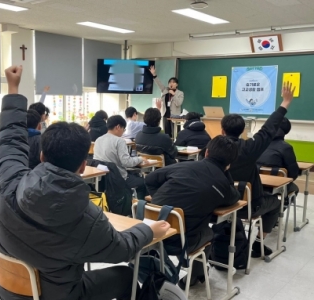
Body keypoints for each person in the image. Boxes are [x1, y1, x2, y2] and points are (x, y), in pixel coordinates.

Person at [0, 65, 171, 300]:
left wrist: (13, 89)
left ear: (42, 156)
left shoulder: (7, 183)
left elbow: (9, 140)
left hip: (10, 290)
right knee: (126, 275)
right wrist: (146, 230)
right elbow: (122, 249)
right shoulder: (87, 219)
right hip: (58, 295)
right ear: (82, 166)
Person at [146, 136, 240, 289]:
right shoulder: (222, 184)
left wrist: (160, 202)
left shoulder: (184, 166)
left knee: (184, 225)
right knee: (209, 232)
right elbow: (234, 198)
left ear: (207, 152)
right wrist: (226, 173)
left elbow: (150, 178)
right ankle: (197, 274)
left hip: (149, 234)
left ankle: (194, 271)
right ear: (229, 164)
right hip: (179, 243)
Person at [222, 82, 296, 257]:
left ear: (222, 130)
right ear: (242, 130)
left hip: (220, 202)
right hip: (247, 206)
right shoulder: (250, 148)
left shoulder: (211, 148)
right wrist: (285, 103)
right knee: (276, 203)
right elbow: (268, 129)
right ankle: (257, 243)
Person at [94, 115, 148, 199]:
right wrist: (140, 158)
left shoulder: (98, 140)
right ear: (118, 127)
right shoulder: (119, 141)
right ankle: (138, 208)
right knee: (143, 182)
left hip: (103, 179)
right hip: (119, 178)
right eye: (124, 129)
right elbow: (126, 162)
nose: (123, 132)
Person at [257, 117, 299, 198]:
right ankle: (280, 207)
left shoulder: (258, 144)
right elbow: (293, 174)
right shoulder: (286, 148)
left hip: (255, 185)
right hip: (275, 187)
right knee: (295, 188)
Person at [149, 65, 184, 138]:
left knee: (175, 134)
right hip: (165, 115)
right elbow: (159, 83)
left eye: (174, 82)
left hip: (175, 116)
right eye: (170, 82)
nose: (171, 83)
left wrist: (174, 95)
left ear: (177, 84)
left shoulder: (180, 93)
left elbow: (178, 103)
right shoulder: (165, 90)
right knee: (166, 134)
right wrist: (154, 74)